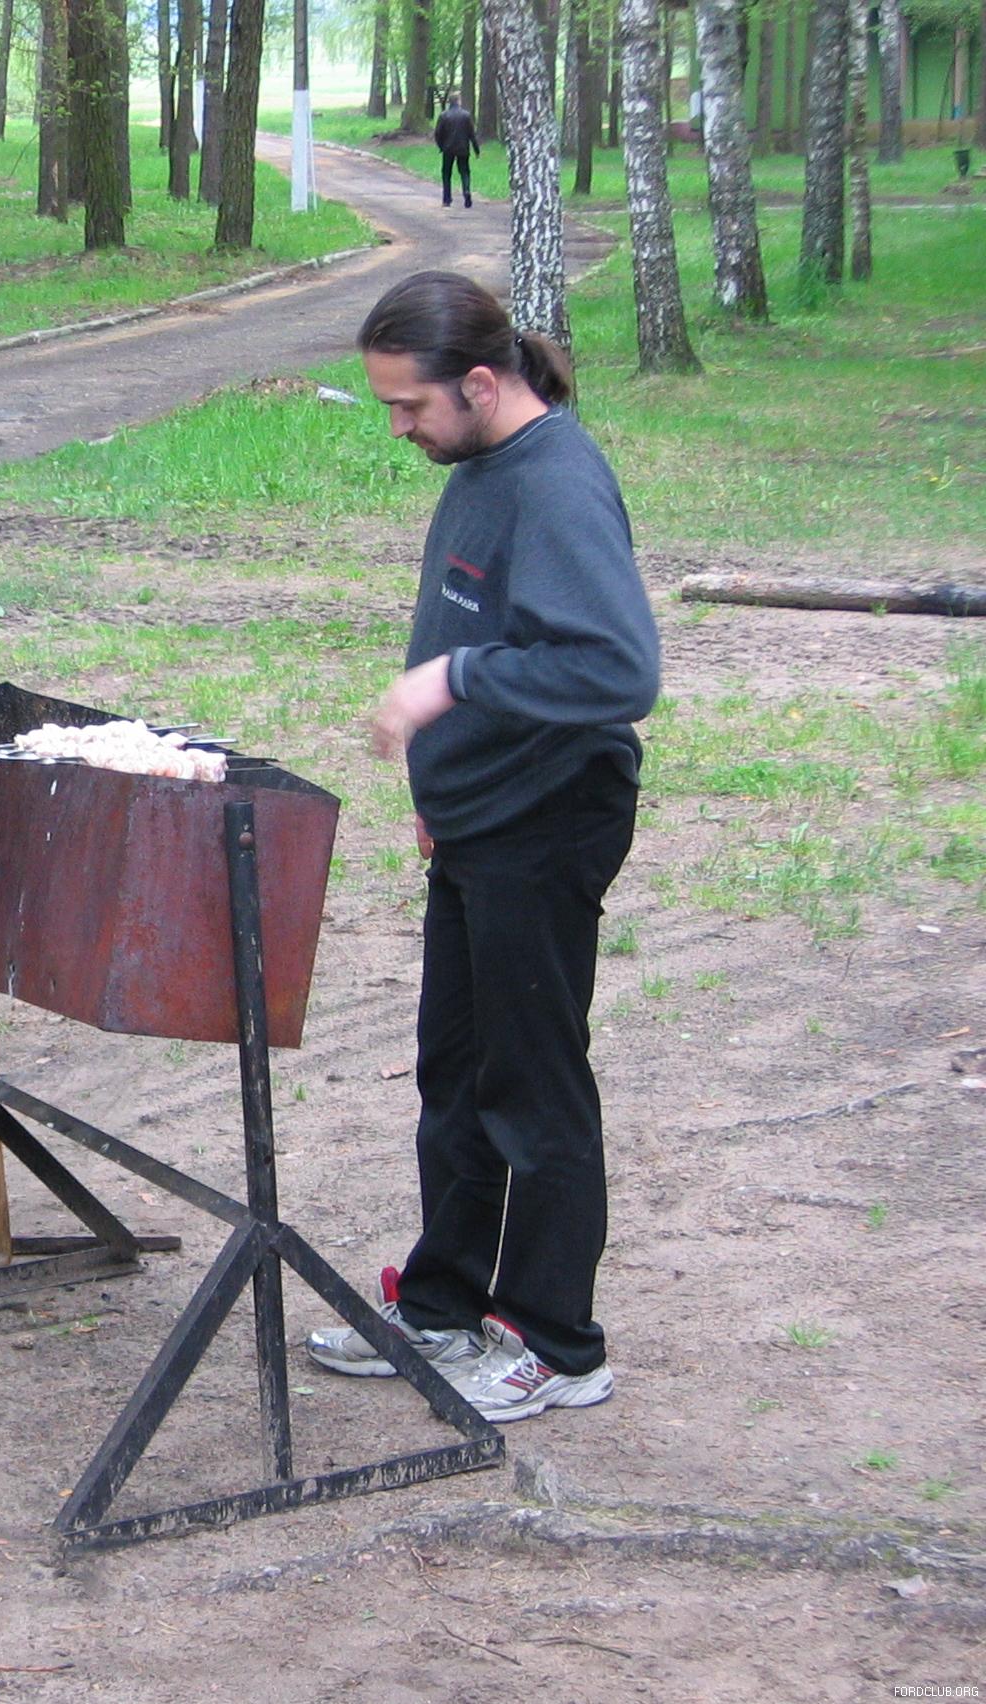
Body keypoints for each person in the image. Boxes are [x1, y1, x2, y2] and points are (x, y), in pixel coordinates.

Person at [306, 271, 660, 1423]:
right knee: (455, 1076)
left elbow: (617, 669)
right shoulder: (478, 467)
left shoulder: (555, 483)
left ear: (476, 382)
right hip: (475, 818)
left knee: (531, 1087)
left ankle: (560, 1345)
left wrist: (449, 683)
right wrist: (441, 786)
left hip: (547, 821)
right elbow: (482, 623)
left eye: (407, 406)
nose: (397, 428)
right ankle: (443, 1304)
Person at [434, 93, 479, 209]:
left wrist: (441, 146)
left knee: (446, 173)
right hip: (463, 148)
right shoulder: (466, 115)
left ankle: (447, 199)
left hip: (448, 149)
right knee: (464, 171)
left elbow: (438, 133)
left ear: (450, 102)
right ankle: (466, 190)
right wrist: (476, 149)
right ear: (458, 101)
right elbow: (472, 134)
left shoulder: (444, 115)